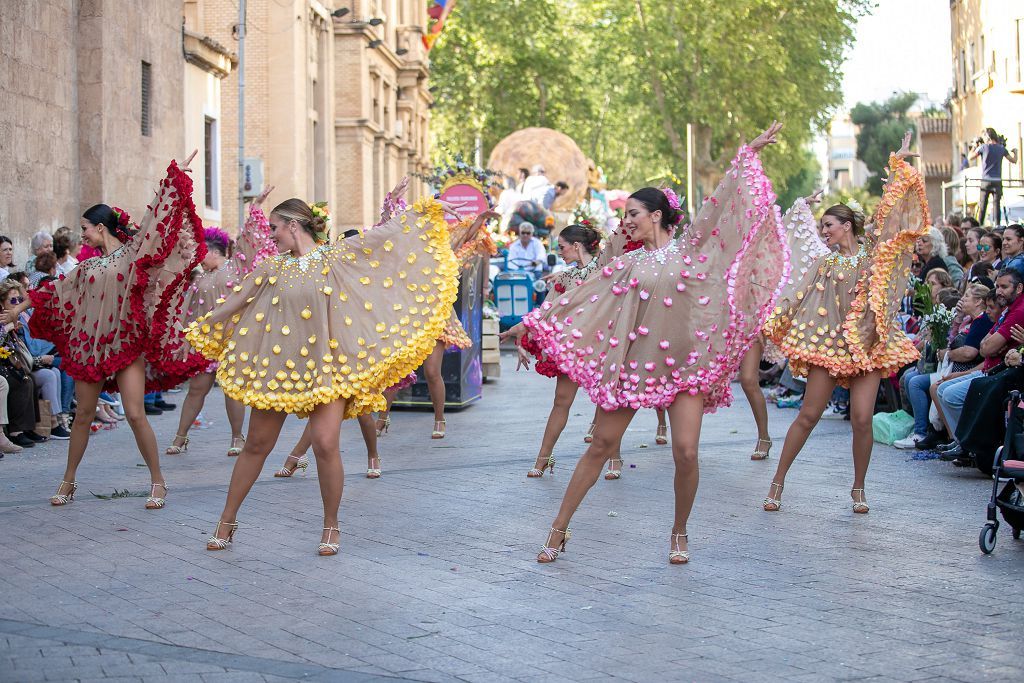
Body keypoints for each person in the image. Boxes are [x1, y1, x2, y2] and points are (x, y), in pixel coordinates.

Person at [506, 122, 789, 564]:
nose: (627, 221)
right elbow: (583, 294)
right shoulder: (627, 262)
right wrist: (532, 323)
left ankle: (679, 531)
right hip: (634, 367)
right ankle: (558, 528)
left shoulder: (694, 250)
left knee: (687, 451)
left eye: (633, 213)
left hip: (685, 367)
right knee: (600, 445)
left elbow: (720, 211)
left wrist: (746, 156)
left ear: (656, 215)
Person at [187, 189, 466, 555]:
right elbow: (239, 298)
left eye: (275, 227)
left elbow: (382, 238)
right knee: (256, 445)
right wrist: (201, 325)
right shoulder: (273, 266)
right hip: (278, 369)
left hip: (326, 370)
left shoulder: (335, 257)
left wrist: (426, 212)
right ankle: (227, 520)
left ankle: (331, 525)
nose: (271, 235)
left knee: (325, 443)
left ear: (293, 225)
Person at [0, 152, 209, 509]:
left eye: (84, 228)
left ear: (101, 227)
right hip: (90, 345)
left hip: (126, 343)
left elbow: (155, 224)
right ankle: (68, 482)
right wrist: (18, 307)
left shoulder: (132, 254)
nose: (81, 234)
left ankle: (158, 481)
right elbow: (54, 290)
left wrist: (174, 180)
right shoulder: (87, 267)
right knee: (82, 414)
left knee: (134, 413)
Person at [762, 131, 926, 514]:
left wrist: (897, 164)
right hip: (830, 345)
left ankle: (858, 488)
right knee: (808, 414)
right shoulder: (826, 261)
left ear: (847, 226)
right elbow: (799, 293)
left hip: (868, 344)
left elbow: (889, 218)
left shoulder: (872, 254)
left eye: (829, 226)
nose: (825, 232)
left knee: (862, 418)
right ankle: (777, 481)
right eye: (822, 228)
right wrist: (775, 320)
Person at [164, 187, 277, 457]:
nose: (199, 257)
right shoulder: (199, 278)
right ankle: (180, 437)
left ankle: (238, 437)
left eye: (203, 252)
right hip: (205, 345)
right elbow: (187, 312)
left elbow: (248, 242)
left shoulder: (235, 267)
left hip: (231, 342)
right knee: (197, 390)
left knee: (232, 392)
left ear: (214, 251)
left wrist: (256, 208)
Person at [742, 189, 829, 460]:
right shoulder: (737, 244)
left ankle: (763, 436)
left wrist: (803, 203)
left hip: (763, 318)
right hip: (736, 317)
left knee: (747, 378)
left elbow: (790, 226)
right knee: (732, 381)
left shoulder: (773, 243)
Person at [934, 269, 1024, 458]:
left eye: (1004, 287)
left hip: (1000, 371)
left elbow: (981, 350)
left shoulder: (1018, 311)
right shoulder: (1008, 308)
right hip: (991, 368)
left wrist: (988, 344)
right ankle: (961, 442)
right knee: (939, 388)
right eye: (997, 286)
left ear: (1019, 288)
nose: (998, 291)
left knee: (952, 392)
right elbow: (985, 347)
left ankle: (969, 445)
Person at [895, 283, 992, 449]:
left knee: (917, 382)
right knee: (910, 377)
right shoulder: (968, 320)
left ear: (978, 302)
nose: (962, 299)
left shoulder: (982, 322)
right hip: (951, 367)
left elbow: (969, 353)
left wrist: (947, 354)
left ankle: (928, 433)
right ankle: (943, 434)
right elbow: (952, 340)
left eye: (967, 296)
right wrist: (958, 319)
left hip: (962, 369)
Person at [970, 127, 1019, 225]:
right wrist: (1015, 152)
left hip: (986, 180)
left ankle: (979, 225)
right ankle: (997, 226)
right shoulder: (1001, 148)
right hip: (997, 180)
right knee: (997, 205)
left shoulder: (983, 147)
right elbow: (1014, 160)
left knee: (983, 205)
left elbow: (970, 157)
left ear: (987, 136)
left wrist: (974, 146)